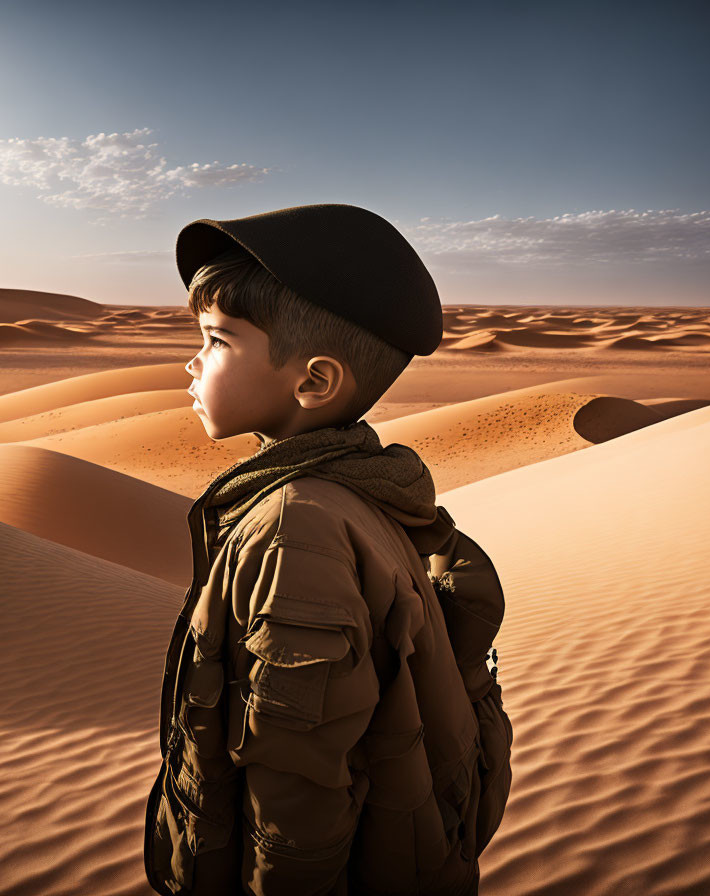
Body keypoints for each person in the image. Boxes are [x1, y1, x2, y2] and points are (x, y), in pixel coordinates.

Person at [145, 203, 508, 896]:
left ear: (314, 382)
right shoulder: (361, 490)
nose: (192, 362)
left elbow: (296, 806)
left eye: (218, 340)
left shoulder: (297, 531)